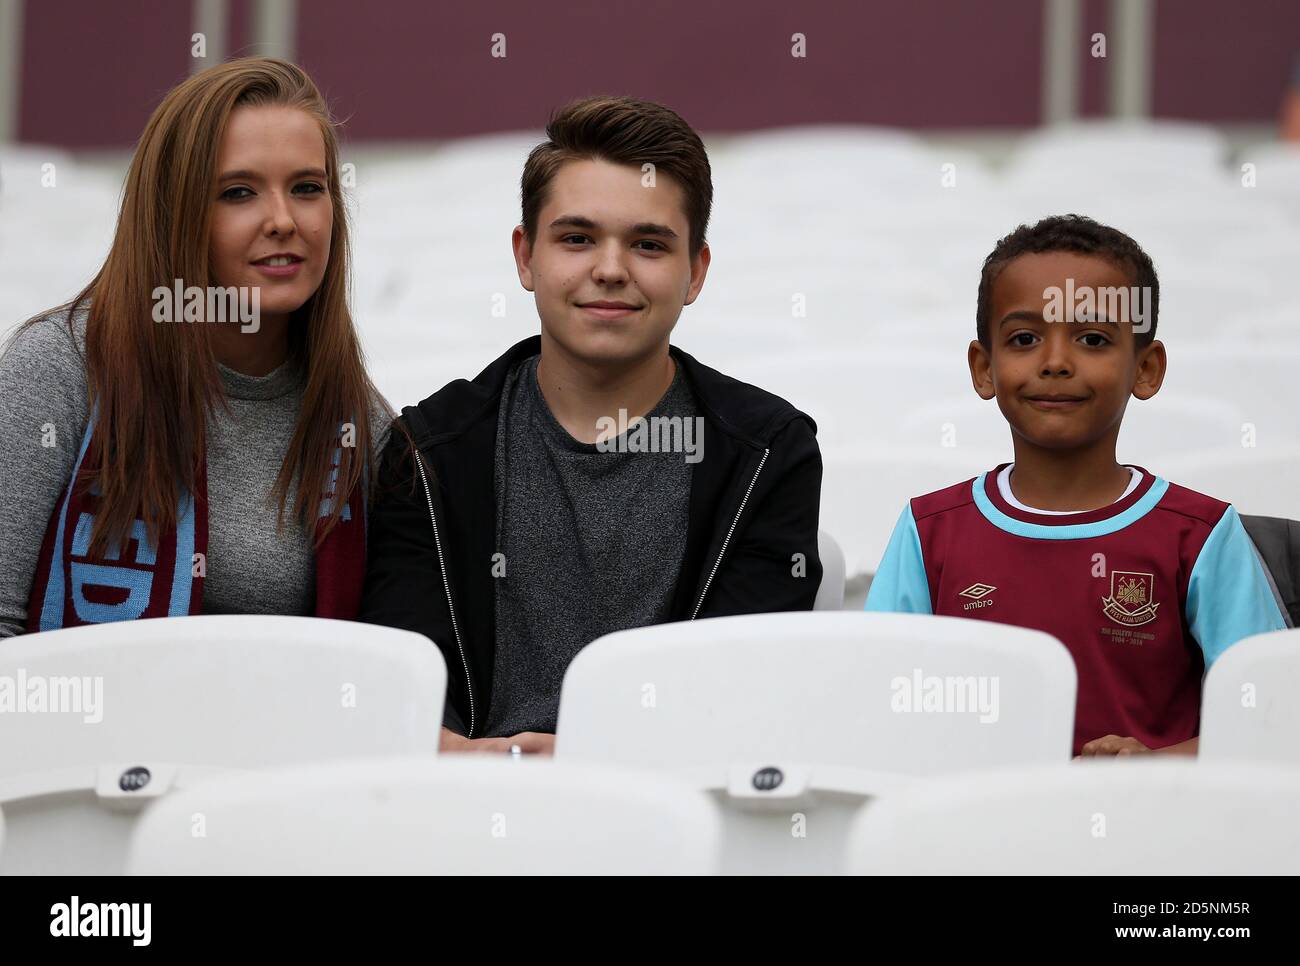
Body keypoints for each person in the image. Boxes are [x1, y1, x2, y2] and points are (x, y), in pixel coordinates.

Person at [361, 95, 823, 754]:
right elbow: (401, 690)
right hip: (461, 811)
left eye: (648, 244)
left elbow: (741, 696)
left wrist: (592, 759)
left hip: (672, 817)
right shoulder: (428, 449)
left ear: (695, 271)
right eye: (577, 238)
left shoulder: (768, 452)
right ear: (526, 257)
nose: (609, 268)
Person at [865, 214, 1288, 757]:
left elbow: (1276, 718)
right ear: (983, 368)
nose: (1056, 363)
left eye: (1092, 338)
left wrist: (1155, 766)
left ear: (1147, 368)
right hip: (971, 831)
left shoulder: (1202, 535)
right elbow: (877, 707)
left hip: (1161, 830)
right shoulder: (928, 532)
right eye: (1024, 339)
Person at [0, 57, 390, 637]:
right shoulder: (57, 369)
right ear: (173, 216)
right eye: (238, 192)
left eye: (307, 188)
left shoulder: (361, 426)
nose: (283, 220)